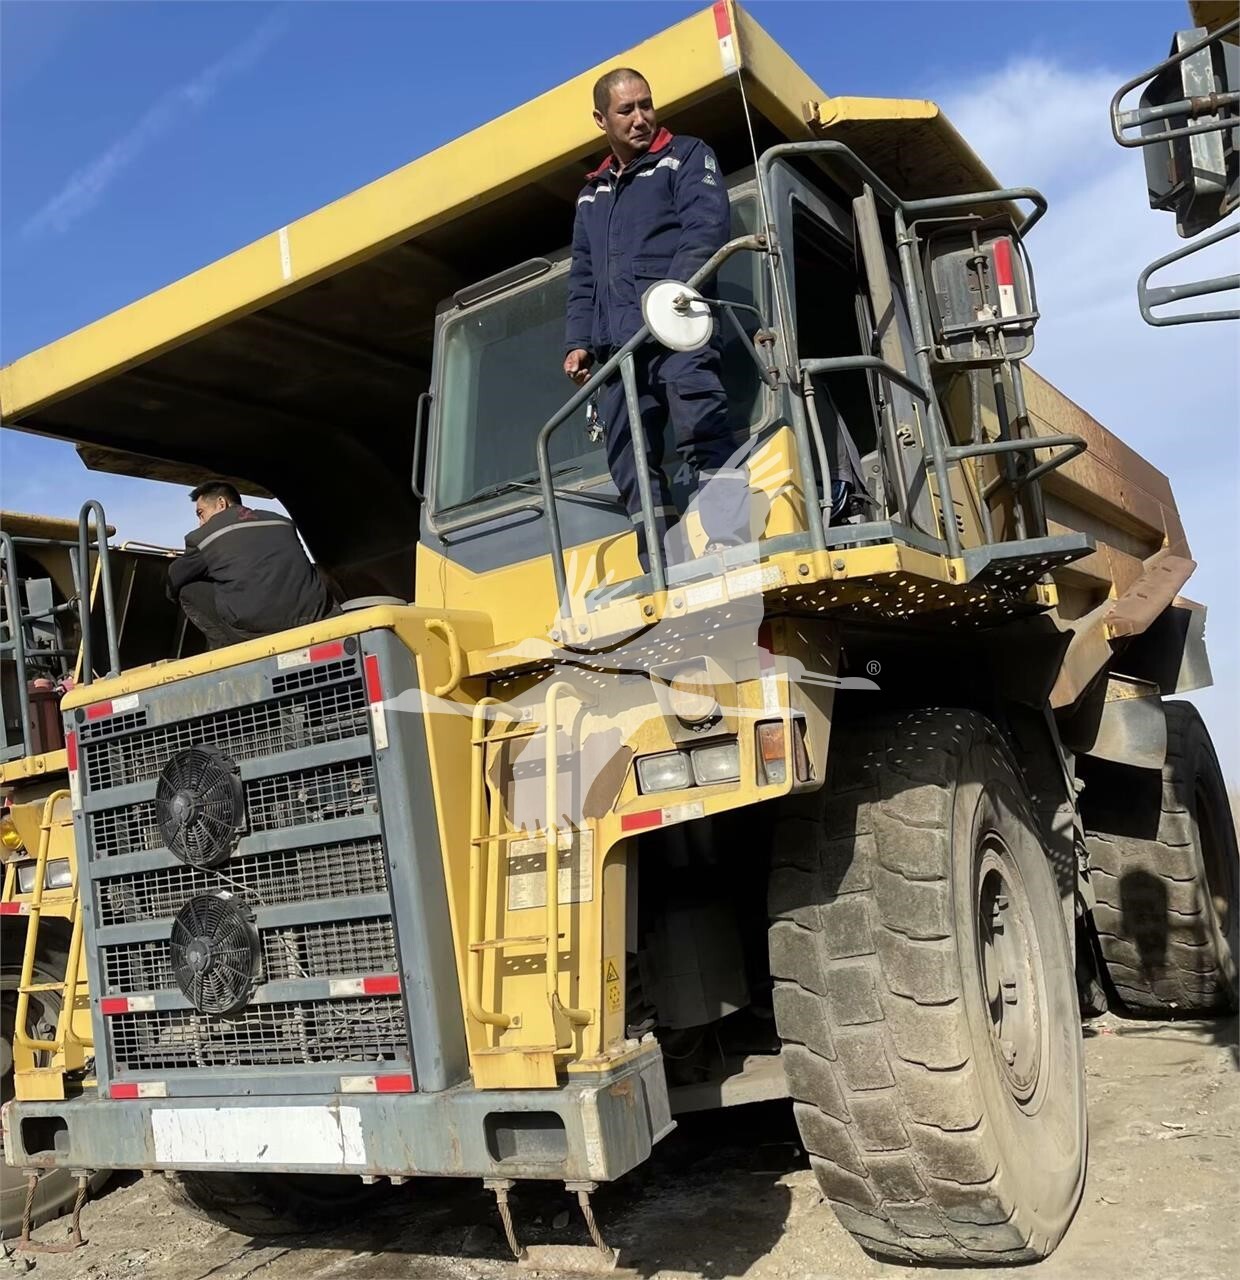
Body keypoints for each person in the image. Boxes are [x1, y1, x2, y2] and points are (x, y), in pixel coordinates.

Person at [564, 68, 748, 571]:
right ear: (601, 119)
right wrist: (578, 341)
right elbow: (583, 276)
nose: (640, 118)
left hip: (678, 328)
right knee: (627, 455)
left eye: (646, 104)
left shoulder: (685, 156)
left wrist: (669, 299)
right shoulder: (591, 193)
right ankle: (661, 563)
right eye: (626, 110)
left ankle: (730, 541)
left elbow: (705, 229)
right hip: (618, 351)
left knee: (703, 425)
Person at [167, 481, 335, 650]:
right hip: (314, 615)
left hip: (256, 630)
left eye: (201, 513)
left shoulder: (203, 537)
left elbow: (174, 578)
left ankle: (228, 652)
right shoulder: (282, 521)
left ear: (221, 503)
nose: (201, 523)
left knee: (188, 590)